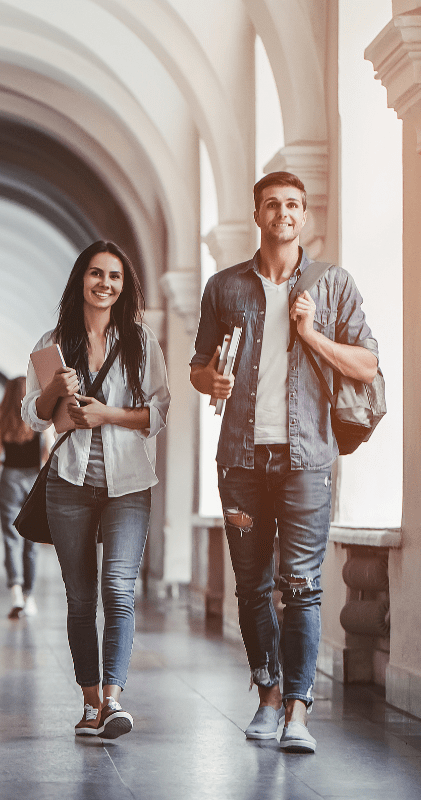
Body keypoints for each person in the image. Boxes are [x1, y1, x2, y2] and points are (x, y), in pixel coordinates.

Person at [189, 172, 378, 754]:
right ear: (257, 213)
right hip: (241, 460)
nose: (285, 213)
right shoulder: (224, 288)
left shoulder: (334, 285)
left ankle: (298, 710)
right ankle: (268, 697)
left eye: (294, 204)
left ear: (304, 215)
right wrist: (209, 378)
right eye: (273, 204)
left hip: (307, 461)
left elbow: (366, 366)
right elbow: (197, 366)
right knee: (252, 586)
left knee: (302, 586)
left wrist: (311, 334)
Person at [21, 241, 170, 739]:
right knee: (81, 597)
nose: (105, 284)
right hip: (70, 482)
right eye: (95, 274)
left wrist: (107, 414)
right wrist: (53, 389)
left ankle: (113, 699)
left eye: (115, 276)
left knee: (118, 589)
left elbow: (159, 412)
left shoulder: (142, 343)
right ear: (80, 280)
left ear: (124, 287)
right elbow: (33, 417)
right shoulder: (53, 341)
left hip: (128, 484)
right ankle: (89, 702)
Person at [0, 376, 50, 618]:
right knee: (30, 543)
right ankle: (29, 596)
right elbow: (49, 453)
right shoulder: (40, 418)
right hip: (33, 480)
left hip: (8, 481)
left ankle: (15, 591)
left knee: (10, 539)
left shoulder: (1, 419)